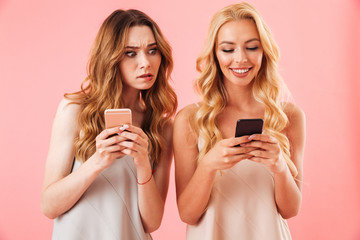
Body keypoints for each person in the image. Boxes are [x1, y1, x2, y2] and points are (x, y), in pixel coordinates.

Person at [41, 9, 177, 240]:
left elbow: (151, 222)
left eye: (152, 51)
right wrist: (98, 161)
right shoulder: (75, 111)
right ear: (111, 57)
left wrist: (143, 162)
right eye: (131, 53)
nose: (146, 62)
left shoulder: (161, 127)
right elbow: (49, 206)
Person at [173, 2, 305, 240]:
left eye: (251, 47)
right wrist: (209, 165)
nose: (241, 59)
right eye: (228, 49)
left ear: (264, 50)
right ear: (214, 53)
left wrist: (279, 167)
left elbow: (290, 209)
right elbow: (187, 214)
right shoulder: (190, 120)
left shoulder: (288, 117)